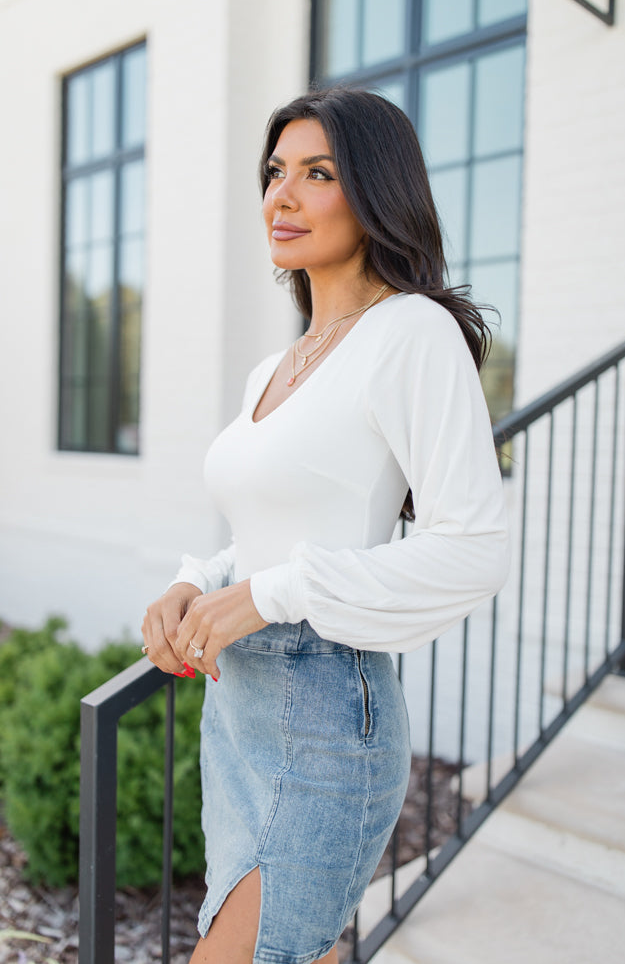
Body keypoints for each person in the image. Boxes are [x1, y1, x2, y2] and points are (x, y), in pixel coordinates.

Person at [141, 87, 509, 964]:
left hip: (327, 714)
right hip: (237, 715)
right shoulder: (279, 362)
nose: (283, 195)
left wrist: (266, 596)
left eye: (317, 173)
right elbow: (272, 530)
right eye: (275, 173)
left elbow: (475, 548)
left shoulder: (413, 333)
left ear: (377, 190)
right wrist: (198, 578)